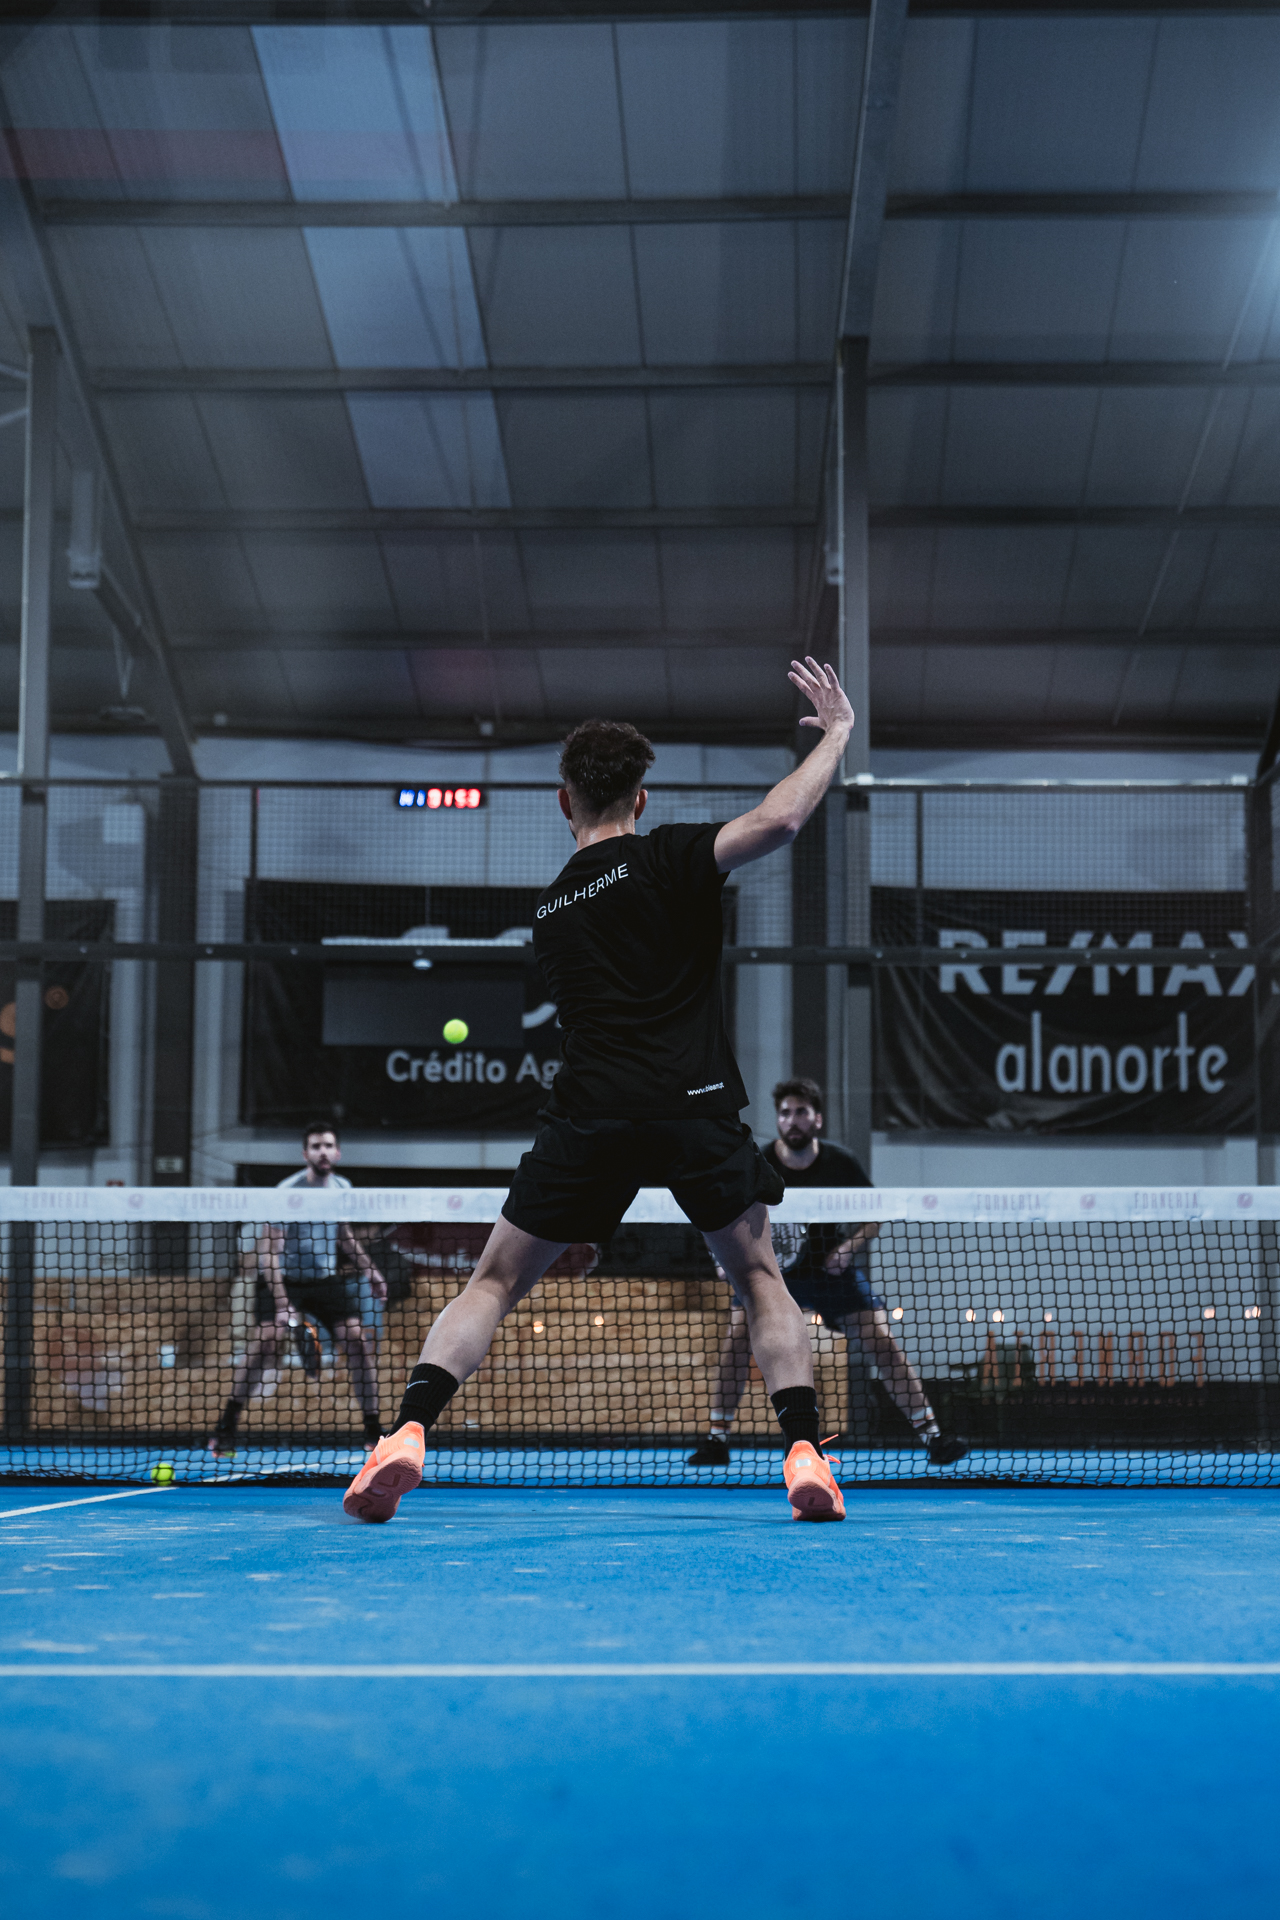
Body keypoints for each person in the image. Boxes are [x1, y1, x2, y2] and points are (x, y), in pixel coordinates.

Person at [343, 657, 856, 1524]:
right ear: (641, 799)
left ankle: (407, 1431)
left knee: (492, 1282)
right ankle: (804, 1450)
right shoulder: (672, 855)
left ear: (563, 801)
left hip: (591, 1114)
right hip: (694, 1108)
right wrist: (837, 730)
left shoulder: (550, 911)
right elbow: (782, 818)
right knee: (760, 1277)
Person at [687, 1077, 968, 1468]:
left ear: (817, 1119)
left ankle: (933, 1436)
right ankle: (717, 1439)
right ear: (779, 1120)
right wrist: (723, 1260)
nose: (792, 1120)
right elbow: (718, 1211)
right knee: (736, 1337)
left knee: (880, 1339)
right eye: (785, 1113)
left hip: (830, 1272)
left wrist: (848, 1248)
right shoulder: (759, 1161)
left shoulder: (839, 1162)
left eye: (801, 1112)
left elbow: (875, 1214)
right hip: (772, 1273)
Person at [209, 1124, 387, 1456]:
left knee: (357, 1341)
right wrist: (282, 1304)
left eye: (328, 1145)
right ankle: (226, 1426)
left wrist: (371, 1270)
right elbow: (269, 1253)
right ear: (306, 1154)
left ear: (337, 1153)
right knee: (267, 1340)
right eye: (316, 1146)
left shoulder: (342, 1187)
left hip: (324, 1280)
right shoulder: (287, 1192)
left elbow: (344, 1236)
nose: (323, 1151)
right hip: (284, 1279)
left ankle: (373, 1428)